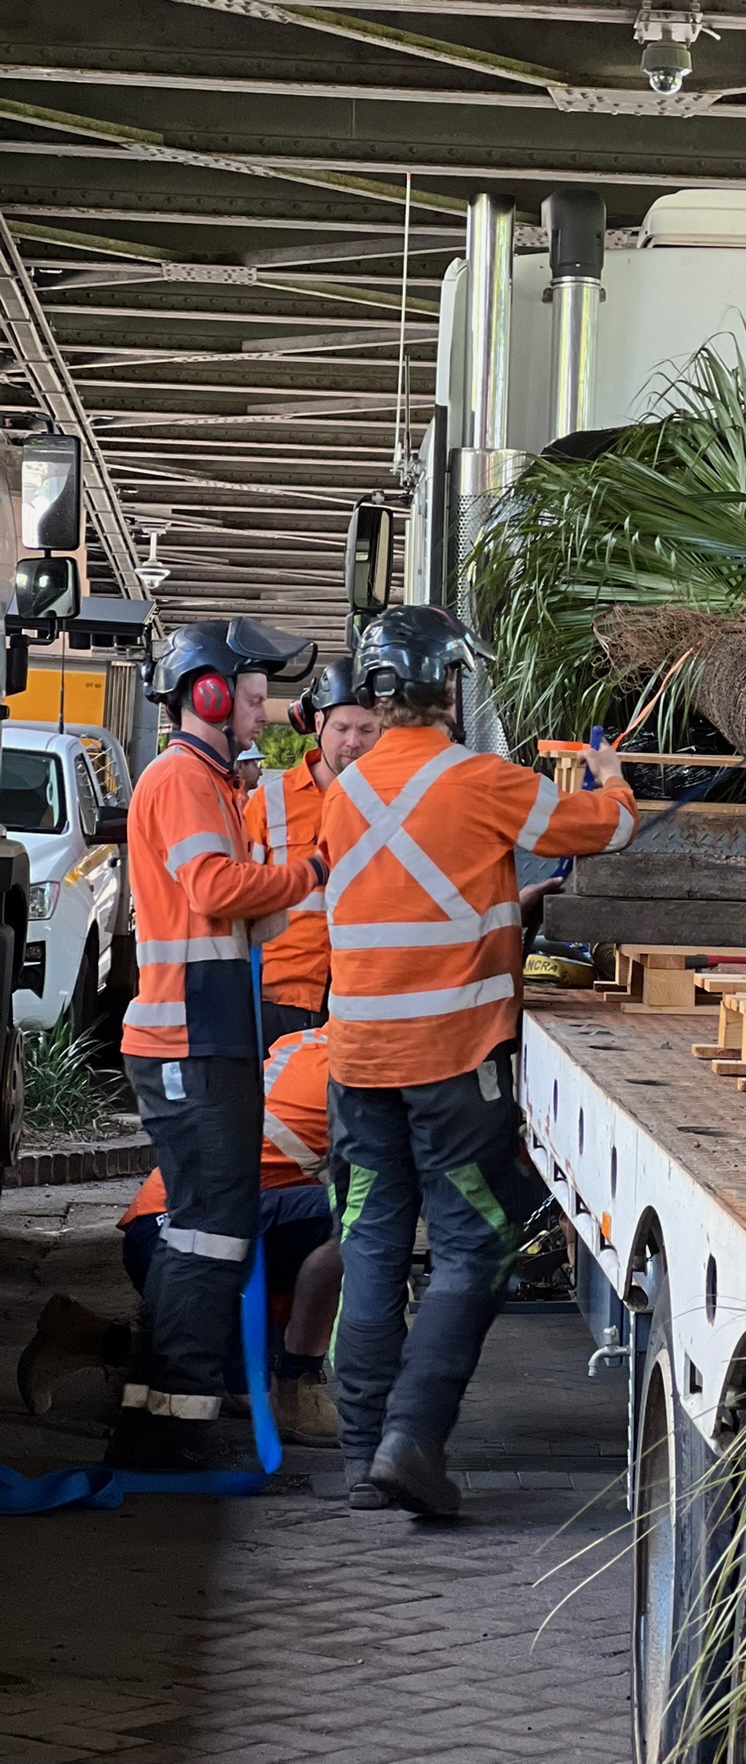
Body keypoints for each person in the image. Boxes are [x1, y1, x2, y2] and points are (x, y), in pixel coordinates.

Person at [320, 604, 637, 1516]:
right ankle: (412, 1440)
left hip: (360, 1062)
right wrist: (611, 778)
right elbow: (605, 830)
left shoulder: (344, 794)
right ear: (441, 686)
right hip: (454, 1061)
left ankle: (359, 1457)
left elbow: (411, 894)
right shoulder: (483, 780)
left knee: (373, 1243)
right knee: (473, 1243)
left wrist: (501, 906)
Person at [112, 618, 326, 1471]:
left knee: (203, 1225)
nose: (261, 708)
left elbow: (242, 908)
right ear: (205, 692)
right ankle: (174, 1429)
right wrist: (311, 870)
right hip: (188, 1039)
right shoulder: (184, 783)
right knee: (208, 1229)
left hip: (199, 1033)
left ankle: (164, 1417)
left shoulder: (210, 782)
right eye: (249, 693)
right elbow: (214, 888)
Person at [18, 1028, 340, 1447]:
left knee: (214, 1367)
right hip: (186, 1238)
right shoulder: (361, 1078)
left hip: (173, 1229)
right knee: (359, 1217)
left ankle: (86, 1337)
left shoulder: (310, 1044)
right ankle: (290, 1392)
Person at [245, 657, 380, 1055]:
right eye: (341, 728)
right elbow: (240, 899)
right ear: (318, 724)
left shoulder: (397, 802)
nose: (353, 741)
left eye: (366, 729)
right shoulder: (269, 802)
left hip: (362, 999)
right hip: (281, 1000)